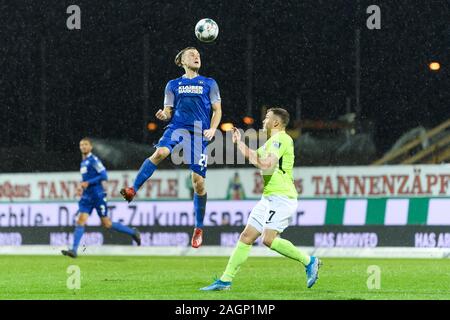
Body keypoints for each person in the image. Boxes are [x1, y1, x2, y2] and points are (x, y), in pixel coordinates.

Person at [201, 108, 321, 291]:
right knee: (247, 236)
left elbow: (265, 164)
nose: (264, 120)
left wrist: (252, 156)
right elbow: (255, 156)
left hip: (282, 197)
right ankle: (225, 281)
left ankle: (309, 261)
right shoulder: (271, 142)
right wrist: (239, 143)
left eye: (267, 117)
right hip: (268, 198)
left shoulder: (282, 139)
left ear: (276, 123)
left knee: (268, 239)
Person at [120, 47, 222, 249]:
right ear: (181, 61)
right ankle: (133, 189)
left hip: (199, 132)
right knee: (160, 152)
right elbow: (168, 111)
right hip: (177, 127)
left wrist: (212, 128)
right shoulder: (173, 85)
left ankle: (198, 228)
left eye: (198, 54)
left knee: (198, 182)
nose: (196, 56)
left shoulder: (209, 83)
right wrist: (163, 115)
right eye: (191, 54)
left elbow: (218, 110)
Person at [62, 138, 141, 258]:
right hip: (87, 197)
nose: (83, 147)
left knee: (107, 223)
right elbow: (87, 180)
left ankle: (133, 232)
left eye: (85, 144)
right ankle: (74, 250)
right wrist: (82, 186)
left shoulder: (94, 160)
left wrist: (88, 183)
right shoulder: (83, 162)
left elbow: (104, 175)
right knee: (81, 220)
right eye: (81, 145)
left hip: (98, 195)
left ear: (91, 147)